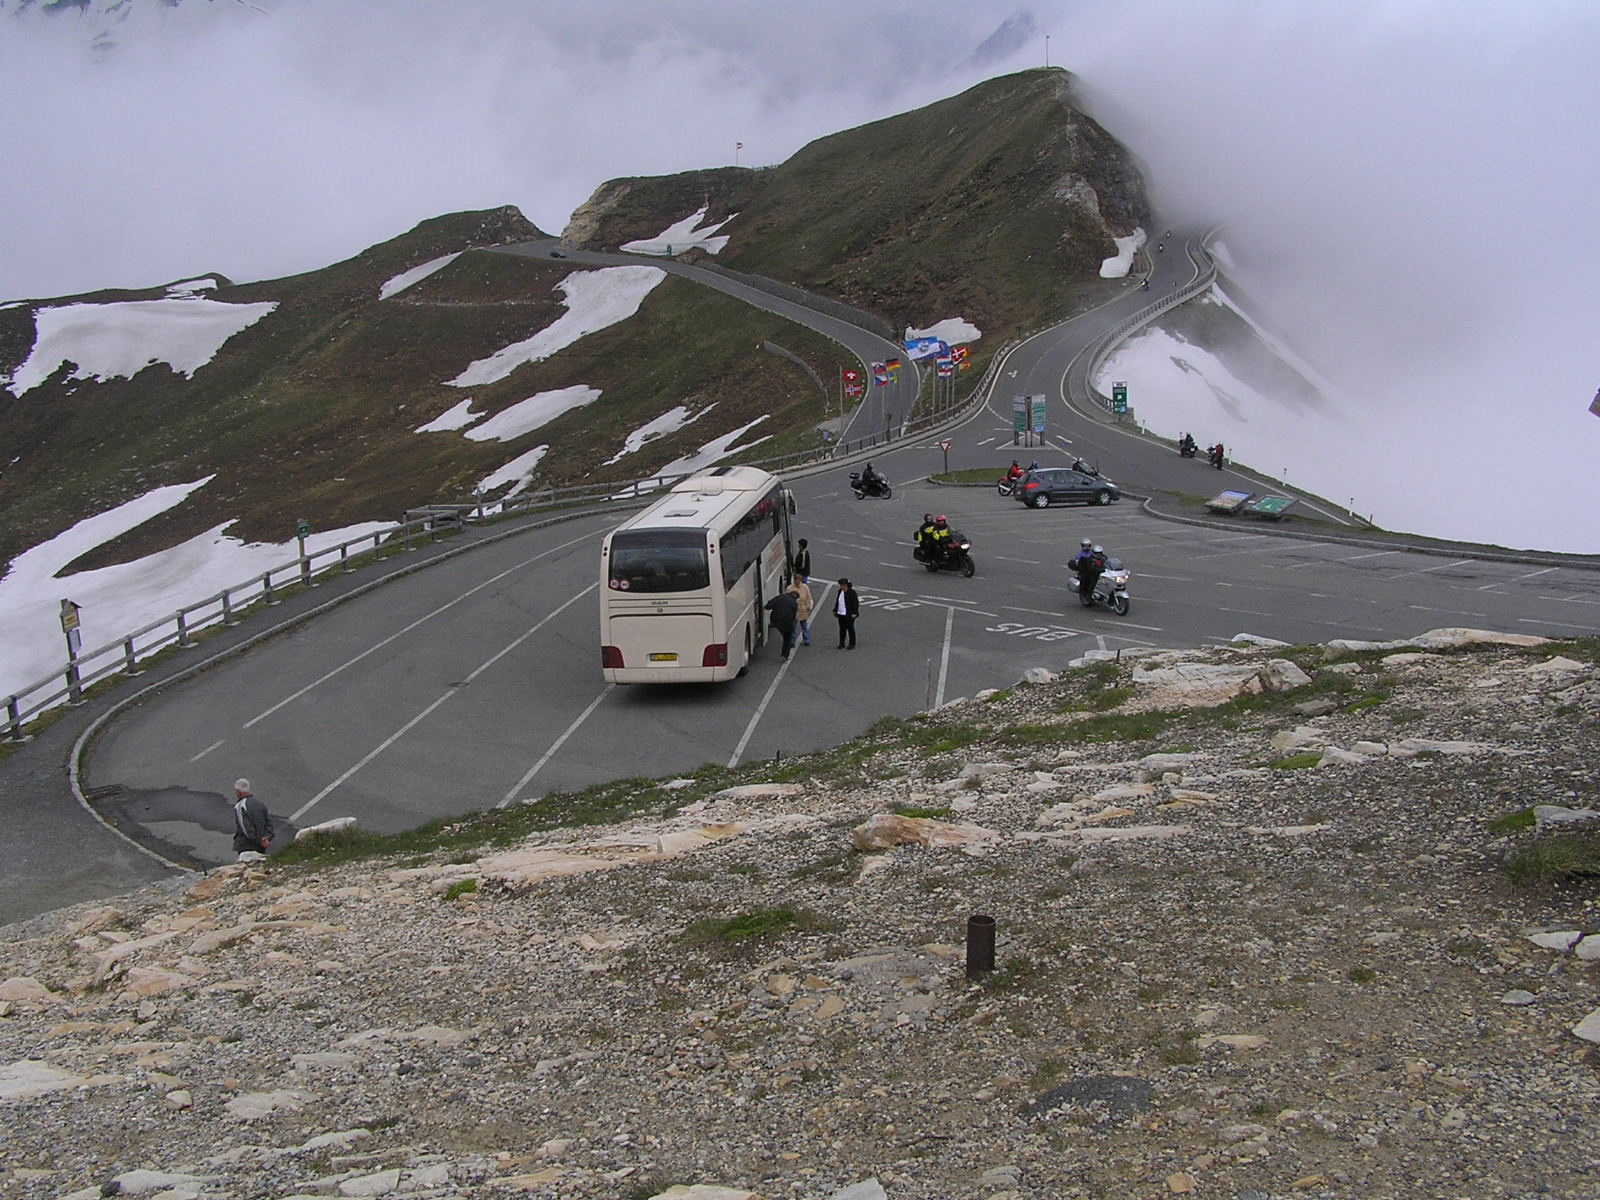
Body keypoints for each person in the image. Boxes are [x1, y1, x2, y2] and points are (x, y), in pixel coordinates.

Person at [231, 778, 274, 862]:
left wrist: (257, 840)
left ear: (239, 792)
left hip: (246, 845)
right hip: (261, 845)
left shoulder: (240, 806)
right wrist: (266, 837)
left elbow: (245, 827)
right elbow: (269, 822)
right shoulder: (260, 804)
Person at [765, 587, 799, 659]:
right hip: (786, 621)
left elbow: (769, 605)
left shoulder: (780, 597)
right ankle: (785, 655)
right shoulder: (794, 603)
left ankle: (774, 625)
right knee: (787, 638)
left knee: (782, 631)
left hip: (775, 619)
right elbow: (793, 616)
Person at [788, 576, 814, 647]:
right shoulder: (790, 588)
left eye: (799, 580)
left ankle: (806, 640)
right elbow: (787, 598)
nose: (798, 581)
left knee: (804, 626)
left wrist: (808, 606)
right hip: (794, 610)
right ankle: (792, 641)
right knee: (793, 627)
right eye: (797, 580)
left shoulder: (805, 587)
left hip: (803, 609)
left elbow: (809, 597)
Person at [834, 578, 859, 649]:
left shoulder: (852, 593)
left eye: (841, 585)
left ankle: (852, 643)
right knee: (842, 629)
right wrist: (835, 610)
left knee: (850, 629)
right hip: (840, 613)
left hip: (849, 614)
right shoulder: (840, 592)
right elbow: (838, 601)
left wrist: (854, 612)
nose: (840, 587)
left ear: (845, 585)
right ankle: (842, 643)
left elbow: (855, 603)